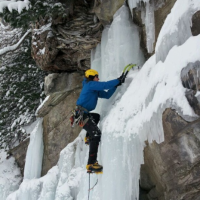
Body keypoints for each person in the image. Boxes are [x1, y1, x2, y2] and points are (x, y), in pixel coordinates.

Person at [76, 69, 123, 173]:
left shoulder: (93, 89)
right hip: (81, 115)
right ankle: (91, 163)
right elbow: (105, 85)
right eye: (97, 76)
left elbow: (106, 95)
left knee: (96, 117)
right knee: (96, 134)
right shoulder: (90, 84)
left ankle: (88, 137)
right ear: (92, 77)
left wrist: (115, 86)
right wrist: (118, 80)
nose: (98, 78)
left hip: (84, 114)